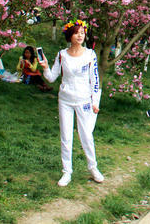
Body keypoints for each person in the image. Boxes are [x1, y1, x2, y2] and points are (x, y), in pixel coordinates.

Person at [40, 19, 104, 186]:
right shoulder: (62, 54)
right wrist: (45, 66)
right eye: (77, 32)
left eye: (82, 32)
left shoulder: (90, 54)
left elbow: (95, 80)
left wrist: (95, 102)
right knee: (66, 136)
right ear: (70, 35)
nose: (80, 35)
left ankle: (93, 167)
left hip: (84, 100)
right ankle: (66, 171)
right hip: (65, 100)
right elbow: (52, 77)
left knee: (86, 136)